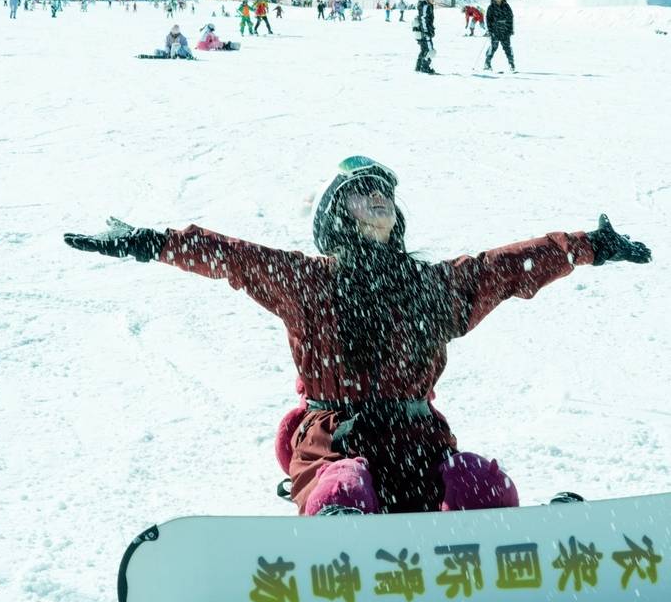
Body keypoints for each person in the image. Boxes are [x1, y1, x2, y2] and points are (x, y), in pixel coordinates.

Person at [63, 156, 651, 517]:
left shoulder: (433, 287)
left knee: (479, 481)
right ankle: (341, 552)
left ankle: (521, 549)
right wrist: (151, 242)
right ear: (336, 214)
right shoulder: (309, 282)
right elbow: (232, 258)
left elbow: (509, 269)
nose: (379, 196)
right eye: (361, 190)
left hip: (416, 443)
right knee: (347, 487)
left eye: (385, 191)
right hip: (335, 444)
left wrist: (588, 246)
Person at [485, 0, 515, 71]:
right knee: (493, 47)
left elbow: (510, 18)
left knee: (507, 48)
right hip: (495, 31)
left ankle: (511, 64)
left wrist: (510, 29)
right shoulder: (491, 7)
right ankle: (487, 63)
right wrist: (489, 30)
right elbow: (488, 19)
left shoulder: (506, 6)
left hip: (505, 31)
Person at [412, 0, 437, 74]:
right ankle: (425, 68)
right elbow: (423, 19)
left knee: (424, 50)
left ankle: (419, 67)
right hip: (424, 32)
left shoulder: (427, 5)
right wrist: (426, 31)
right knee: (430, 51)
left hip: (422, 32)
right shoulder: (426, 6)